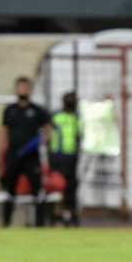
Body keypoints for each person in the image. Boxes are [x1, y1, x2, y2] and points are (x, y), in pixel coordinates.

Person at [0, 76, 53, 227]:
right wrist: (2, 151)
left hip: (31, 156)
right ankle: (6, 223)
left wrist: (42, 142)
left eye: (25, 87)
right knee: (10, 190)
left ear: (30, 90)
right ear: (16, 89)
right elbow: (3, 131)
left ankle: (40, 225)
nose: (22, 90)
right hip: (14, 155)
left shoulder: (37, 110)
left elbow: (49, 130)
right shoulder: (10, 110)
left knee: (37, 190)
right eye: (20, 87)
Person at [50, 92, 81, 227]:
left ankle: (70, 214)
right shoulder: (56, 116)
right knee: (57, 186)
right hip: (57, 156)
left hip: (72, 156)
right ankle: (56, 214)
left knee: (71, 186)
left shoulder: (77, 117)